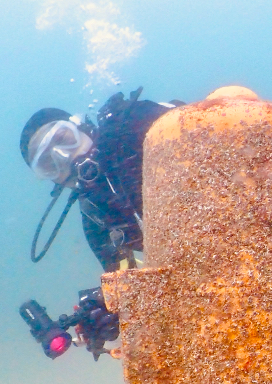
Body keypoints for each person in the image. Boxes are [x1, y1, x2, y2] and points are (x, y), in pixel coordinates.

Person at [18, 87, 179, 358]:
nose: (65, 157)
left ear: (82, 127)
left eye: (64, 140)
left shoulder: (132, 124)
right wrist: (108, 312)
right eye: (49, 163)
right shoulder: (96, 219)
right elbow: (133, 279)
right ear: (51, 180)